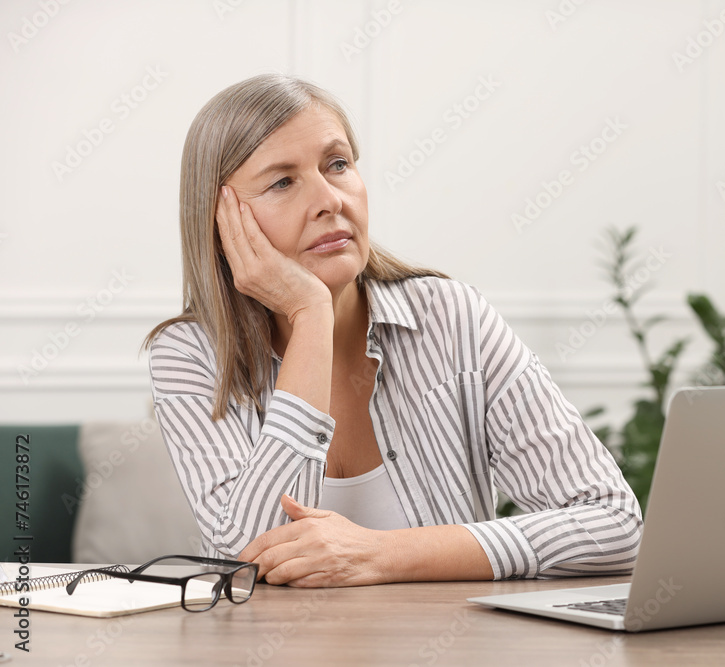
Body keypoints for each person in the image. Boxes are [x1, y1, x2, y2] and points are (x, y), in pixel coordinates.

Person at [145, 73, 641, 587]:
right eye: (283, 181)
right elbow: (244, 561)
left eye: (337, 165)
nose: (329, 200)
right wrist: (310, 315)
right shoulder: (190, 354)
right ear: (221, 220)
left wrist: (381, 555)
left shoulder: (451, 318)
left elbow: (615, 524)